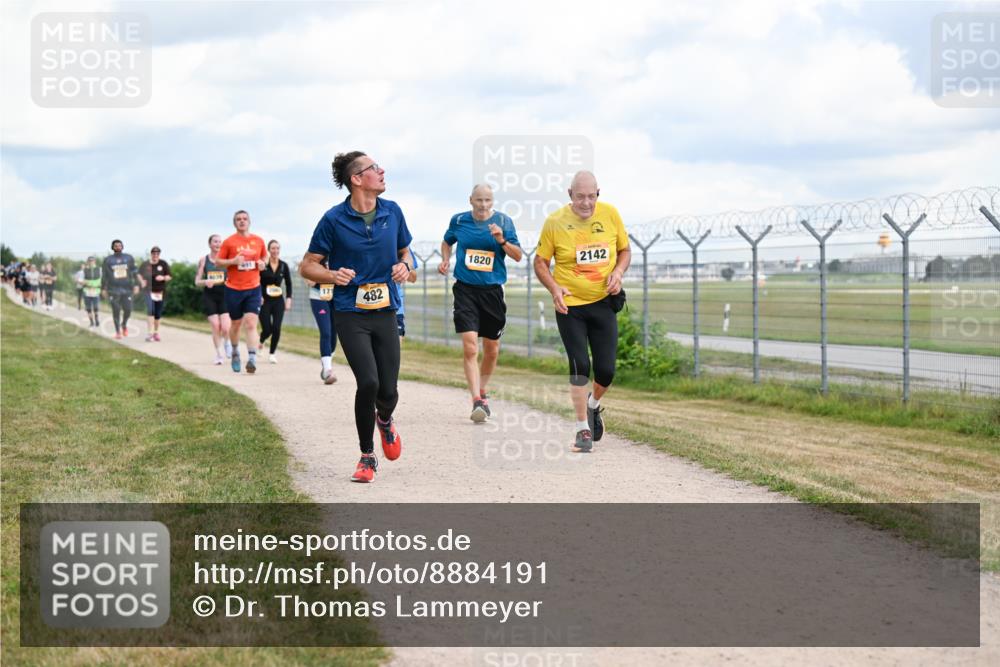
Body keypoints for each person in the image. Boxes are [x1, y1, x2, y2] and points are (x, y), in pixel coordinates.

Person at [300, 152, 413, 483]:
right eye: (374, 168)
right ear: (357, 179)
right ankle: (366, 456)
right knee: (369, 382)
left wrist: (406, 266)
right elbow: (307, 264)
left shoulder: (393, 212)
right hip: (350, 312)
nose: (382, 171)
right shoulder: (333, 220)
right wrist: (332, 275)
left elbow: (407, 252)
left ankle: (386, 420)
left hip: (386, 310)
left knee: (388, 391)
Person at [533, 171, 630, 453]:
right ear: (569, 195)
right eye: (580, 197)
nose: (586, 203)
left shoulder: (611, 214)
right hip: (570, 306)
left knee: (606, 371)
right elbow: (540, 263)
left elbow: (624, 250)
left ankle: (593, 405)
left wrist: (618, 272)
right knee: (579, 365)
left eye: (591, 196)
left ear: (598, 193)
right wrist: (554, 288)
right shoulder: (555, 222)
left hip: (602, 302)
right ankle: (581, 430)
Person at [440, 184, 522, 422]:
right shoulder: (459, 221)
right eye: (479, 200)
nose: (483, 205)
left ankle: (483, 390)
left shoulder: (504, 222)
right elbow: (447, 242)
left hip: (493, 292)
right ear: (471, 200)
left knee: (492, 349)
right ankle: (476, 400)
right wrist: (446, 260)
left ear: (492, 201)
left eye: (488, 200)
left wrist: (502, 240)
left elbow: (518, 255)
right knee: (470, 347)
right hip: (465, 289)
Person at [217, 210, 267, 374]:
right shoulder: (229, 242)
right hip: (234, 289)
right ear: (234, 223)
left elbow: (264, 258)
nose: (242, 221)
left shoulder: (258, 240)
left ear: (249, 221)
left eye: (244, 219)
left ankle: (252, 359)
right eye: (238, 219)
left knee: (252, 323)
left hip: (253, 287)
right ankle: (235, 351)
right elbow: (218, 262)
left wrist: (261, 263)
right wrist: (233, 261)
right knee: (236, 324)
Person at [195, 234, 233, 364]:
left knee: (226, 328)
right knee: (215, 325)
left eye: (219, 242)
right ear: (210, 244)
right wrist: (205, 281)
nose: (218, 244)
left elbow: (234, 276)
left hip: (225, 295)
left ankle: (227, 344)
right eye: (215, 242)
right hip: (209, 295)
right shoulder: (203, 260)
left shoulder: (227, 260)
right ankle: (219, 355)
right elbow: (197, 281)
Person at [258, 239, 293, 364]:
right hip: (264, 301)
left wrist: (289, 299)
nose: (275, 251)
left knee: (277, 328)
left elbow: (289, 284)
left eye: (277, 248)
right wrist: (259, 296)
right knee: (267, 329)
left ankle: (272, 353)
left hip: (278, 301)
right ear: (268, 250)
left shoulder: (283, 265)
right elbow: (256, 281)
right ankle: (261, 341)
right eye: (273, 248)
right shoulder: (263, 265)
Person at [305, 267, 338, 385]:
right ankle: (328, 370)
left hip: (336, 296)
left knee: (334, 334)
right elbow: (308, 278)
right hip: (318, 296)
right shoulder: (316, 255)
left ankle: (326, 364)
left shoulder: (340, 252)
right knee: (326, 332)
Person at [101, 240, 140, 339]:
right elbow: (104, 275)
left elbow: (135, 272)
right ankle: (118, 332)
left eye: (119, 245)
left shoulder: (128, 258)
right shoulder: (108, 260)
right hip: (113, 289)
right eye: (116, 246)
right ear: (112, 247)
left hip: (127, 289)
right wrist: (103, 289)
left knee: (128, 309)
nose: (118, 247)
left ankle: (124, 324)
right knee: (116, 310)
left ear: (122, 247)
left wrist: (136, 285)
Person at [139, 246, 172, 342]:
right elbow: (138, 273)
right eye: (154, 253)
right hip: (148, 291)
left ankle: (156, 333)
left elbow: (169, 276)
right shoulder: (145, 264)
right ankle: (150, 333)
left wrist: (163, 278)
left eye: (157, 254)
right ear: (151, 254)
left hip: (160, 292)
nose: (155, 255)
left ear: (159, 254)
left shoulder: (163, 263)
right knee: (150, 311)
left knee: (157, 314)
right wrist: (141, 281)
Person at [397, 250, 419, 340]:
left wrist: (403, 268)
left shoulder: (401, 244)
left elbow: (413, 278)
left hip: (396, 308)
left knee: (394, 352)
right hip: (365, 307)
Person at [81, 256, 102, 327]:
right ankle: (91, 322)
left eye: (92, 261)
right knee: (88, 308)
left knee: (96, 307)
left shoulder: (99, 269)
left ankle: (97, 320)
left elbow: (103, 279)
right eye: (89, 261)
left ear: (94, 261)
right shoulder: (84, 270)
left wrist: (100, 284)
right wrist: (83, 282)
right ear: (88, 262)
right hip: (87, 291)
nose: (91, 262)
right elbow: (79, 280)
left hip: (96, 291)